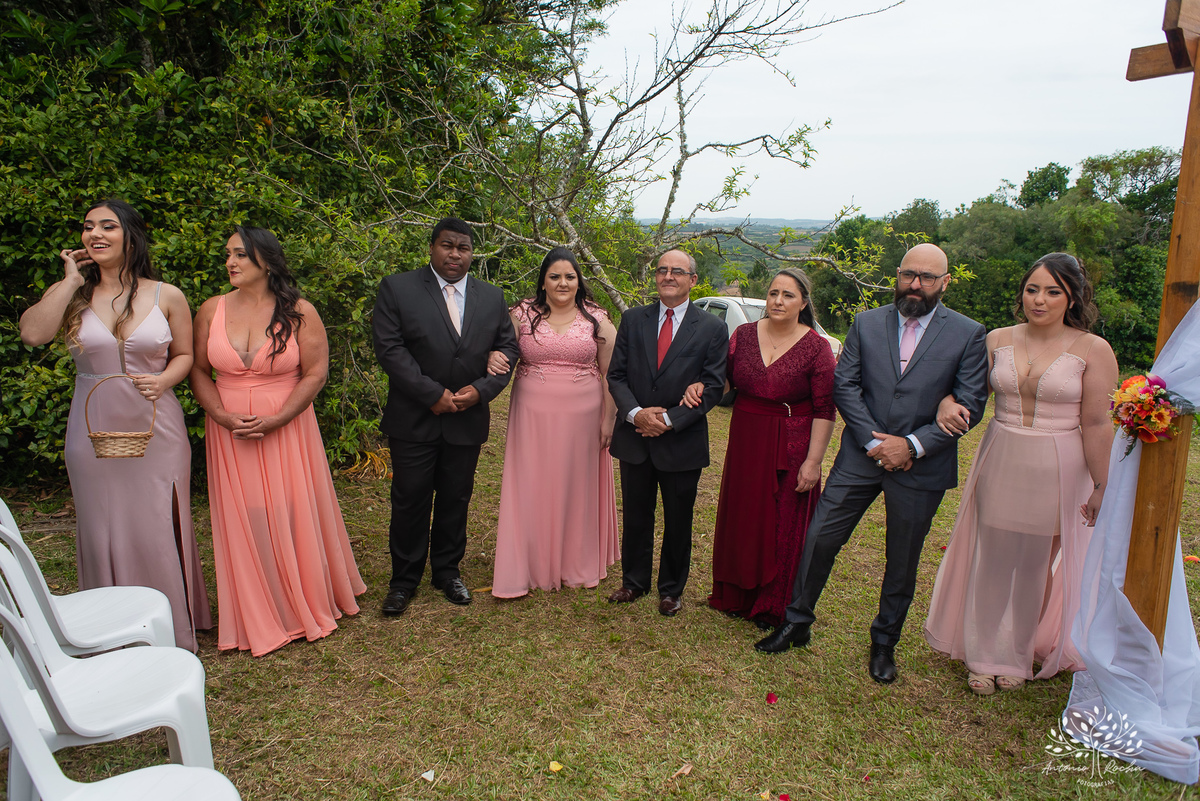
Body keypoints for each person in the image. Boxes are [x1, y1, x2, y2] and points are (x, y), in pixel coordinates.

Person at [754, 243, 988, 685]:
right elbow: (846, 386)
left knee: (901, 557)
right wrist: (875, 443)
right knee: (820, 537)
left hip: (921, 467)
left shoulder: (969, 334)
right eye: (908, 275)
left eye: (927, 278)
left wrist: (913, 446)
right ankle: (797, 620)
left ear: (945, 283)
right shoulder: (866, 322)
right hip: (860, 457)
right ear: (897, 274)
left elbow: (970, 405)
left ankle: (884, 642)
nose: (915, 285)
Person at [18, 199, 212, 652]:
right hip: (92, 427)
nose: (95, 234)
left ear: (130, 235)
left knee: (157, 522)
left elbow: (185, 355)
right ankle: (112, 627)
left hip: (156, 427)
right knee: (102, 522)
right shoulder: (73, 295)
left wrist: (164, 379)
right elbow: (31, 334)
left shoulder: (167, 294)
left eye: (107, 226)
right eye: (88, 227)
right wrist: (68, 281)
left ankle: (171, 624)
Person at [923, 253, 1117, 694]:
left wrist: (1102, 484)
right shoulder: (996, 339)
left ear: (1072, 297)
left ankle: (1016, 654)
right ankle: (982, 652)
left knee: (1035, 566)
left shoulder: (1093, 348)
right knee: (991, 559)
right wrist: (946, 403)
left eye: (1053, 291)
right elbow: (964, 392)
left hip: (1059, 464)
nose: (1040, 300)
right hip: (1002, 453)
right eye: (1032, 289)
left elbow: (1097, 422)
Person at [190, 226, 365, 657]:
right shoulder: (210, 310)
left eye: (240, 255)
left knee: (291, 509)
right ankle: (255, 610)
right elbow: (196, 369)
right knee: (242, 513)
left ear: (265, 260)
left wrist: (278, 418)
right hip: (229, 428)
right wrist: (221, 415)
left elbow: (315, 373)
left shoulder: (300, 311)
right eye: (228, 255)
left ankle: (300, 601)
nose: (230, 262)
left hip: (286, 425)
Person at [372, 217, 520, 615]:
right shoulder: (398, 288)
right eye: (447, 245)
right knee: (410, 499)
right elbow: (390, 350)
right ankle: (403, 580)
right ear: (432, 247)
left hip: (466, 418)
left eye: (463, 248)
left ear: (473, 253)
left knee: (456, 497)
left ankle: (447, 571)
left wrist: (481, 391)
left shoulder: (492, 297)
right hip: (414, 418)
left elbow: (508, 351)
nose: (455, 254)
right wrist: (431, 394)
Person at [706, 269, 836, 627]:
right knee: (745, 514)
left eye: (788, 295)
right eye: (773, 293)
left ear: (804, 303)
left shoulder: (816, 347)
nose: (778, 301)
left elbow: (826, 409)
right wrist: (693, 386)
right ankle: (737, 593)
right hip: (746, 436)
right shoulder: (744, 335)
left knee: (783, 521)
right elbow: (723, 381)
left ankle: (772, 603)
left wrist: (813, 461)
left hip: (792, 441)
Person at [485, 248, 619, 597]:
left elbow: (611, 374)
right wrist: (492, 355)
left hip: (584, 417)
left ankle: (575, 560)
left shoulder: (598, 320)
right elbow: (498, 348)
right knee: (533, 482)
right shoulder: (521, 314)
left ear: (579, 281)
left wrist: (609, 419)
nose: (563, 283)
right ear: (543, 281)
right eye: (555, 276)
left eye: (570, 276)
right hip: (532, 415)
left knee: (576, 483)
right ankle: (529, 560)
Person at [604, 249, 728, 617]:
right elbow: (616, 376)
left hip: (681, 441)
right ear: (655, 277)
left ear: (692, 279)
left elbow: (713, 386)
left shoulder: (712, 328)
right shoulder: (632, 319)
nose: (668, 276)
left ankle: (671, 589)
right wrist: (637, 414)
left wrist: (670, 420)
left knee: (679, 519)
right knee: (636, 515)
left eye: (677, 271)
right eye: (662, 270)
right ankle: (634, 582)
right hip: (635, 437)